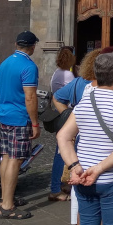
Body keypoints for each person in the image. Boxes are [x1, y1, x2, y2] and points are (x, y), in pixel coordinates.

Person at [57, 52, 113, 225]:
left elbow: (63, 136)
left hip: (83, 175)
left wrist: (74, 166)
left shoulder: (84, 102)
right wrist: (99, 169)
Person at [53, 48, 101, 225]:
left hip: (80, 138)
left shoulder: (78, 83)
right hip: (99, 142)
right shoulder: (103, 86)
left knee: (78, 183)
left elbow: (57, 98)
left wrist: (68, 117)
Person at [0, 31, 41, 220]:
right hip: (19, 118)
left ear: (16, 44)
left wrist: (3, 108)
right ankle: (7, 206)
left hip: (4, 115)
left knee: (6, 157)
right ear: (32, 47)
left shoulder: (5, 63)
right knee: (15, 160)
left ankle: (6, 198)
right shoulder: (29, 66)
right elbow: (30, 97)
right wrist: (35, 123)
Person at [49, 46, 77, 202]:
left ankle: (62, 184)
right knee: (61, 153)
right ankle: (55, 189)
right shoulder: (67, 74)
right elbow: (74, 94)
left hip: (61, 114)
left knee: (63, 151)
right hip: (67, 115)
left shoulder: (57, 72)